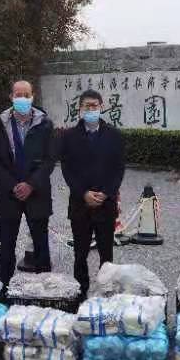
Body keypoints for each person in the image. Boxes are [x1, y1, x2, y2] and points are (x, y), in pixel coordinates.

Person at [0, 80, 55, 289]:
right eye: (18, 95)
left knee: (41, 246)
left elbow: (50, 160)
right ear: (11, 97)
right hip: (9, 193)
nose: (22, 99)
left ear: (33, 96)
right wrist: (13, 185)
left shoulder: (45, 123)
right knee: (7, 246)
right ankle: (4, 289)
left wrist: (31, 184)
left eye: (26, 94)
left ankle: (45, 291)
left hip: (37, 192)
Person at [59, 89, 125, 298]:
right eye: (86, 106)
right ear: (80, 109)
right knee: (80, 253)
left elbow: (118, 169)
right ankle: (80, 292)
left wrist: (106, 193)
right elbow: (67, 169)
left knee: (107, 254)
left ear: (101, 107)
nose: (91, 109)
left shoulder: (114, 135)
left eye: (94, 105)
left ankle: (107, 293)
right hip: (80, 204)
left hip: (106, 205)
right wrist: (83, 193)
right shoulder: (69, 136)